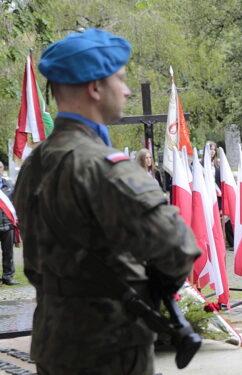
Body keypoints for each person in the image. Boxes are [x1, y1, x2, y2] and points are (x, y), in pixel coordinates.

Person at [13, 28, 201, 375]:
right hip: (109, 347)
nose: (127, 90)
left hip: (54, 340)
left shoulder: (34, 164)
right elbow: (179, 248)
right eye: (120, 79)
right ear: (95, 88)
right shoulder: (102, 165)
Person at [0, 161, 18, 286]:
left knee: (8, 252)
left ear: (3, 169)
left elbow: (16, 202)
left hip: (7, 224)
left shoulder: (9, 185)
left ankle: (8, 277)